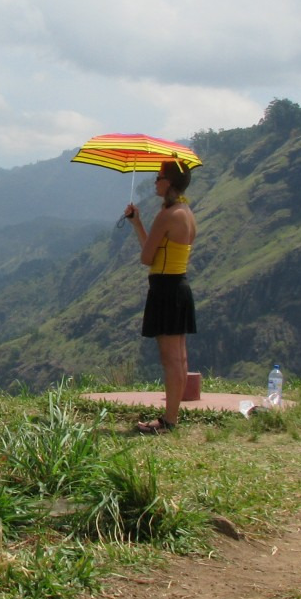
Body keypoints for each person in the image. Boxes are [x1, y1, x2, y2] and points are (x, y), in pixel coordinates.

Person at [122, 160, 196, 433]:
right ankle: (172, 417)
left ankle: (169, 420)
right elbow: (157, 251)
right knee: (180, 356)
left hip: (165, 288)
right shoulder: (186, 213)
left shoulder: (166, 216)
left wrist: (143, 226)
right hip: (179, 285)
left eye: (159, 177)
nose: (155, 181)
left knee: (170, 358)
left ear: (169, 183)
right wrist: (137, 224)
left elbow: (146, 257)